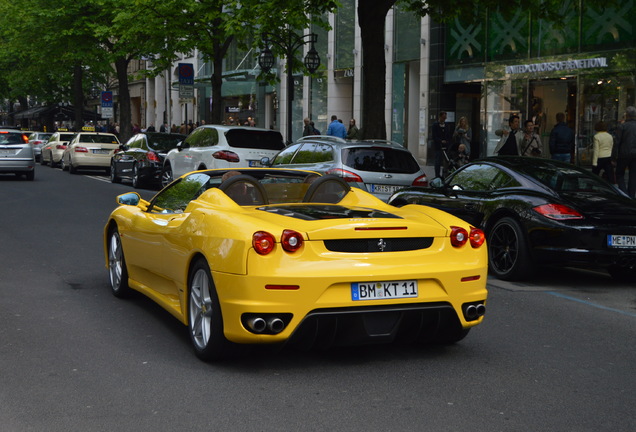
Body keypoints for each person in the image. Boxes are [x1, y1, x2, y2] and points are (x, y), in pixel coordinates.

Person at [612, 106, 636, 198]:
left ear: (627, 115)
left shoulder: (622, 126)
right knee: (633, 176)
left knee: (619, 174)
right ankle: (631, 196)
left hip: (624, 154)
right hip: (635, 154)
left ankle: (625, 195)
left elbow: (617, 142)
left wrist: (613, 157)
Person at [432, 111, 452, 178]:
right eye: (443, 118)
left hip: (446, 145)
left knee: (446, 161)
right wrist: (440, 141)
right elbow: (434, 136)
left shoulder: (446, 125)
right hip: (438, 146)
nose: (444, 119)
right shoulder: (435, 125)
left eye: (445, 118)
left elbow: (448, 134)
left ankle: (444, 174)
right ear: (440, 117)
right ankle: (437, 175)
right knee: (437, 161)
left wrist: (447, 141)